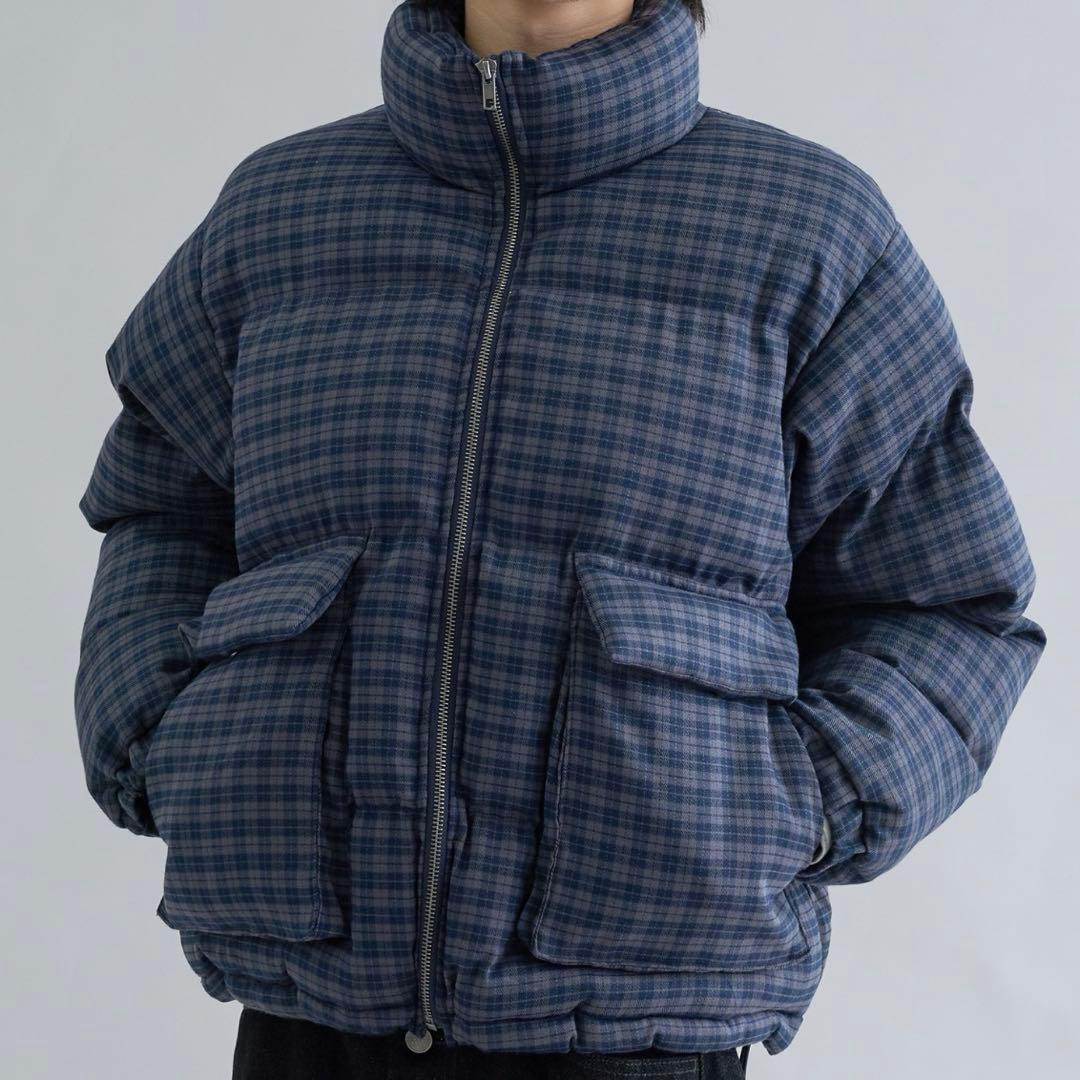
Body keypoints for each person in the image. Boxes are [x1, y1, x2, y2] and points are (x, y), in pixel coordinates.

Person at [73, 1, 1046, 1077]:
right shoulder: (282, 214)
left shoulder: (807, 230)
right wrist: (163, 748)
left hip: (640, 1021)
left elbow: (947, 602)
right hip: (311, 1013)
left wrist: (799, 811)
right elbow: (162, 510)